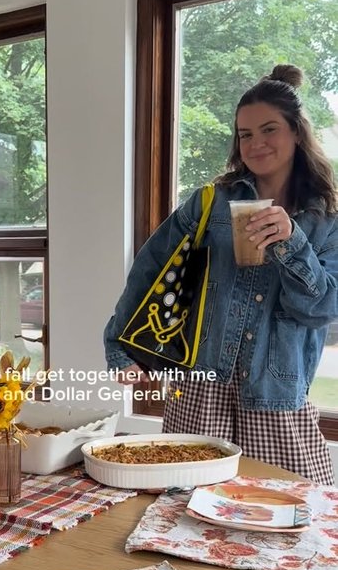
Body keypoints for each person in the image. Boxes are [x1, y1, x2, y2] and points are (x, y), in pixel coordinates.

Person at [104, 65, 338, 483]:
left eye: (269, 130)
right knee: (183, 512)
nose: (256, 144)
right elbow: (149, 271)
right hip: (199, 390)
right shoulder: (210, 202)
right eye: (245, 134)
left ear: (296, 133)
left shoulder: (327, 219)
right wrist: (120, 350)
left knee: (293, 511)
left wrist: (290, 243)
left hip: (275, 396)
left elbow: (321, 309)